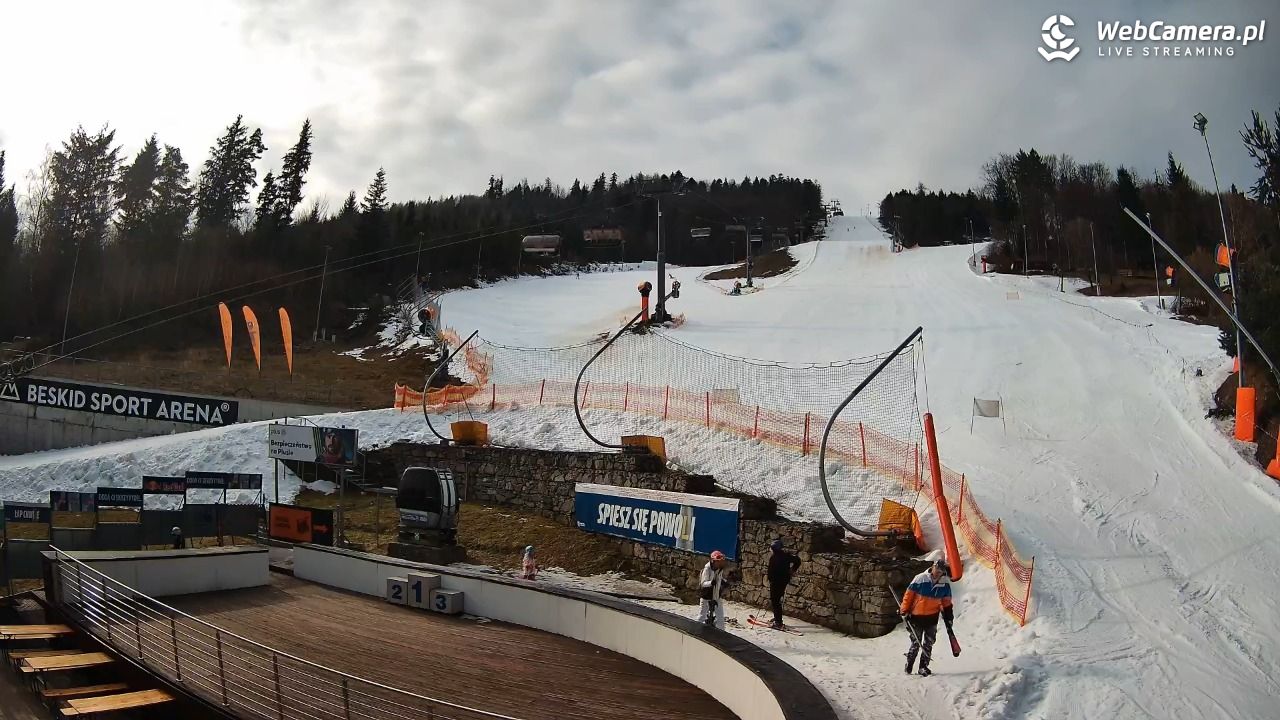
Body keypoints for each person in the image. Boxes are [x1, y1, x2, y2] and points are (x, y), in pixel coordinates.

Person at [899, 559, 954, 677]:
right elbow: (908, 596)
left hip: (932, 618)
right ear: (933, 567)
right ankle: (909, 663)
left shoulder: (945, 584)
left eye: (940, 571)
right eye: (937, 569)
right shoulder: (920, 579)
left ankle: (923, 667)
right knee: (916, 642)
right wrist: (904, 610)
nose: (938, 573)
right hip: (916, 617)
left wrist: (949, 617)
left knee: (929, 643)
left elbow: (947, 602)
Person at [767, 539, 801, 629]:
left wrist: (770, 580)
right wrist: (792, 570)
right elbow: (798, 560)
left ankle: (778, 622)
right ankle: (777, 618)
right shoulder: (786, 555)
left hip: (776, 582)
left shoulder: (774, 558)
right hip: (784, 580)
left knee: (775, 601)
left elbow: (771, 571)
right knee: (777, 600)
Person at [696, 550, 729, 629]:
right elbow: (703, 583)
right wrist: (711, 583)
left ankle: (721, 633)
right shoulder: (707, 569)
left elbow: (719, 578)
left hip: (716, 595)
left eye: (721, 561)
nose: (720, 563)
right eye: (718, 561)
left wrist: (724, 582)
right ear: (713, 561)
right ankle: (695, 630)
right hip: (706, 596)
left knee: (720, 618)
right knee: (702, 616)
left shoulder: (720, 569)